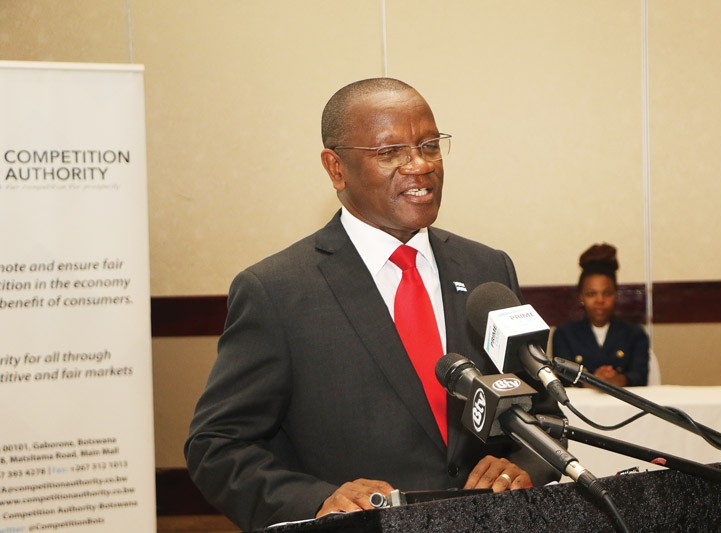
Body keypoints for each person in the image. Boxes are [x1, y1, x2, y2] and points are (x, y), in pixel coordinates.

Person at [184, 77, 563, 530]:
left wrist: (522, 466)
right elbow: (217, 445)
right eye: (390, 152)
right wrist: (319, 502)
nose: (420, 165)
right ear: (336, 168)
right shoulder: (277, 291)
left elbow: (544, 416)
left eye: (429, 146)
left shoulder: (488, 269)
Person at [551, 243, 650, 387]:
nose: (600, 300)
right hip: (580, 401)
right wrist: (596, 381)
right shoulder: (564, 334)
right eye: (591, 294)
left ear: (616, 295)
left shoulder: (635, 334)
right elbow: (564, 379)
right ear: (581, 297)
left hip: (623, 400)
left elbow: (639, 377)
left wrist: (615, 380)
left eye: (607, 293)